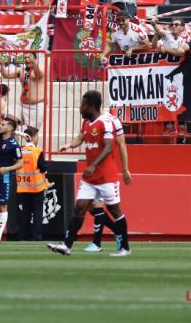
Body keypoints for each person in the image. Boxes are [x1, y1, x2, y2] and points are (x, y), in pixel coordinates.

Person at [48, 90, 131, 256]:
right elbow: (81, 137)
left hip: (106, 176)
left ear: (92, 106)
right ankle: (67, 245)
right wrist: (69, 145)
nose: (80, 107)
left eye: (83, 105)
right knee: (79, 208)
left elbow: (108, 147)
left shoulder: (105, 122)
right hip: (90, 178)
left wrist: (93, 165)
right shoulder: (87, 122)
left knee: (115, 211)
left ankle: (125, 248)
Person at [82, 112, 132, 252]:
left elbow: (121, 144)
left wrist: (125, 169)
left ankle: (97, 243)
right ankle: (116, 231)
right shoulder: (88, 120)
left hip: (105, 172)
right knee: (91, 206)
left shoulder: (113, 120)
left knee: (102, 206)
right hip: (92, 172)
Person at [0, 118, 23, 242]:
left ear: (10, 128)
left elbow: (20, 163)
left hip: (4, 177)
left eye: (3, 125)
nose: (0, 126)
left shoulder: (14, 145)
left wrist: (7, 169)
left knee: (2, 205)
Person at [15, 127, 48, 241]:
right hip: (36, 187)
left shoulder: (19, 150)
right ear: (33, 137)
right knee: (37, 213)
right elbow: (43, 168)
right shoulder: (37, 151)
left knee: (24, 214)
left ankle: (22, 236)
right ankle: (36, 237)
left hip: (22, 187)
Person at [0, 52, 46, 129]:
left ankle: (29, 141)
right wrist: (2, 65)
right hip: (21, 105)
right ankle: (13, 140)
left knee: (31, 133)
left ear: (35, 59)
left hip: (36, 106)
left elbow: (38, 73)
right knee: (9, 122)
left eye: (29, 57)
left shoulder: (40, 70)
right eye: (25, 58)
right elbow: (5, 75)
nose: (27, 59)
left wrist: (34, 63)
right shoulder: (21, 70)